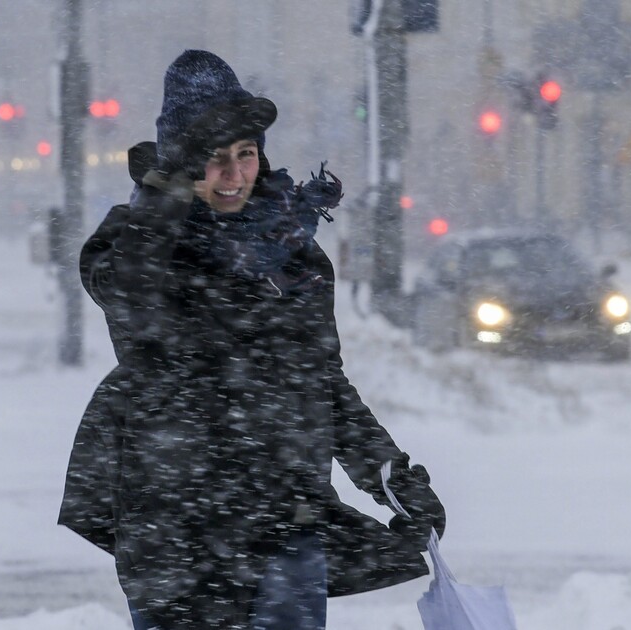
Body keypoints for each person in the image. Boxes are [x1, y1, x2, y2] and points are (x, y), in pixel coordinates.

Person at [59, 50, 445, 630]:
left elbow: (322, 383)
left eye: (247, 154)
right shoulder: (136, 240)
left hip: (285, 520)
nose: (236, 175)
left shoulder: (294, 252)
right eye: (213, 161)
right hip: (176, 531)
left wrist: (392, 478)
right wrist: (165, 195)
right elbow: (132, 302)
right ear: (180, 165)